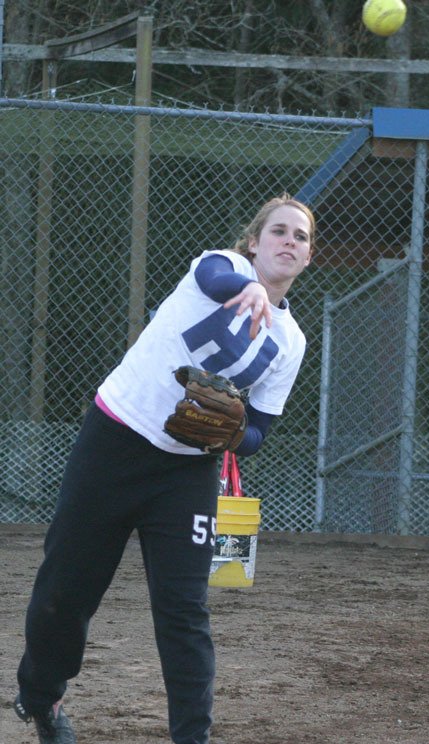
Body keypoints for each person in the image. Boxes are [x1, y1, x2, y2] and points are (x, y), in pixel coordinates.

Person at [13, 192, 315, 744]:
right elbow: (224, 281)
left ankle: (192, 738)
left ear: (308, 256)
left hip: (186, 471)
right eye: (278, 231)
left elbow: (256, 435)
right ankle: (43, 698)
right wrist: (247, 286)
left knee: (184, 612)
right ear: (254, 241)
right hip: (114, 442)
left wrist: (230, 431)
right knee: (66, 591)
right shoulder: (216, 268)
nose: (289, 242)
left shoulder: (290, 342)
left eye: (300, 236)